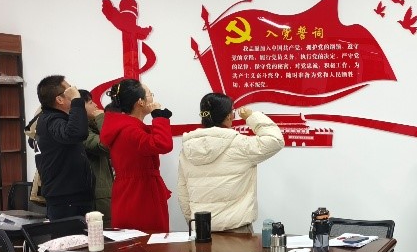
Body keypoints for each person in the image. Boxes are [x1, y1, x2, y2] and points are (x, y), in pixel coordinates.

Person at [178, 93, 285, 233]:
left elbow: (183, 193)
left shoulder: (188, 148)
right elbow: (276, 140)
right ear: (229, 116)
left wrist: (195, 222)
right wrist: (251, 117)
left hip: (202, 230)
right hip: (237, 231)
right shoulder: (240, 144)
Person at [100, 79, 173, 233]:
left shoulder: (125, 127)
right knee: (149, 241)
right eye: (150, 94)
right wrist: (159, 118)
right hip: (141, 195)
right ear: (140, 101)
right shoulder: (130, 130)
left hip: (132, 192)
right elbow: (162, 144)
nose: (152, 98)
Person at [35, 75, 93, 221]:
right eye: (69, 91)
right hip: (66, 200)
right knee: (70, 236)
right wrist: (77, 100)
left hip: (72, 197)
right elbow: (76, 133)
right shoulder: (51, 120)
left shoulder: (52, 119)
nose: (74, 92)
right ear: (59, 99)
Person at [79, 89, 114, 226]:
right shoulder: (82, 131)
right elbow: (106, 145)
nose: (95, 105)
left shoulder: (90, 127)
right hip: (96, 195)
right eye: (90, 102)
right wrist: (100, 118)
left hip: (101, 193)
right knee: (102, 233)